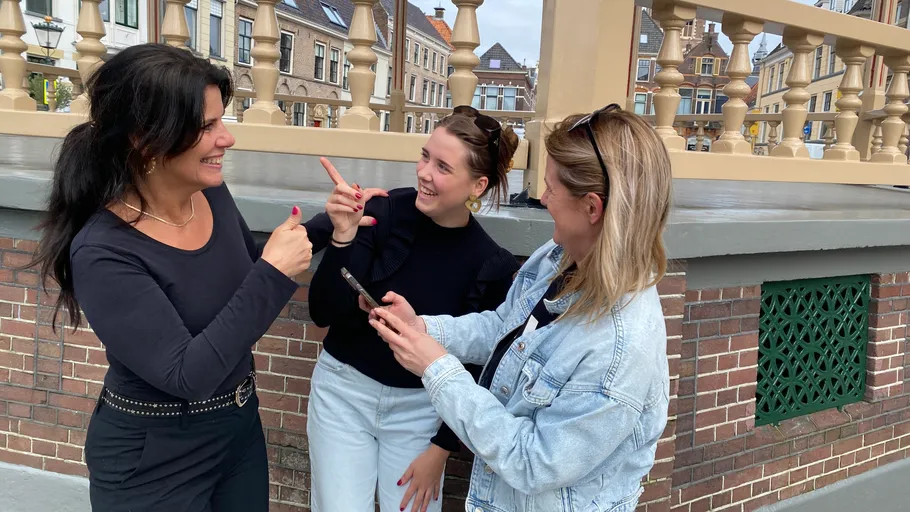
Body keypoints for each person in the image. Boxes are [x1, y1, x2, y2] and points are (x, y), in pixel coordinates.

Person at [27, 43, 383, 511]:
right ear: (145, 138)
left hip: (236, 432)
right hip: (153, 457)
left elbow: (233, 271)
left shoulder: (208, 194)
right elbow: (186, 373)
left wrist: (328, 224)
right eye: (207, 126)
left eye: (222, 121)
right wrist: (274, 273)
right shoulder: (103, 250)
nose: (226, 138)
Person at [367, 104, 672, 512]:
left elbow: (534, 462)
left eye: (551, 188)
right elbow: (503, 327)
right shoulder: (558, 256)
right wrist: (424, 327)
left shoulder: (620, 347)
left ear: (592, 208)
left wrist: (437, 369)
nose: (541, 198)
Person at [305, 106, 521, 512]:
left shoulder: (489, 262)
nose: (424, 172)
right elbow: (321, 310)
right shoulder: (382, 211)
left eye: (442, 166)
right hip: (343, 394)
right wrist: (342, 238)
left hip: (422, 411)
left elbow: (479, 366)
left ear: (477, 185)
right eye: (425, 156)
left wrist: (441, 450)